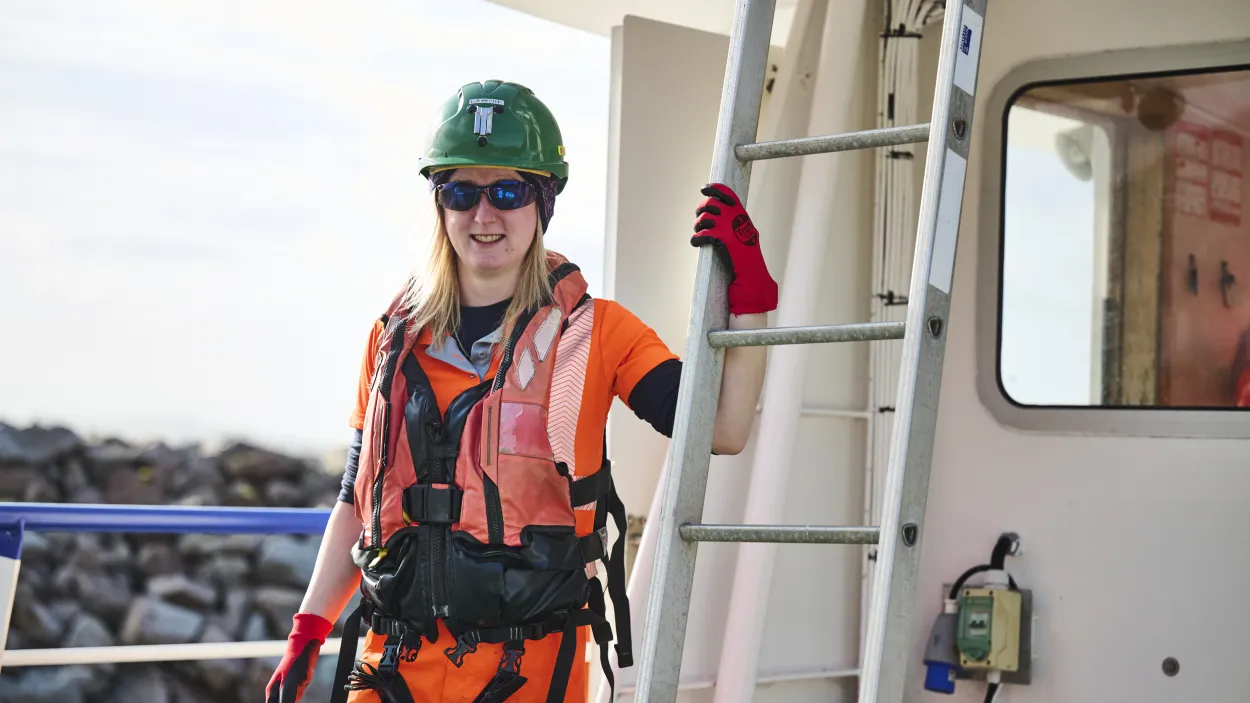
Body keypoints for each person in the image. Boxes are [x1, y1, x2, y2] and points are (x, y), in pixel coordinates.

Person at [266, 79, 778, 703]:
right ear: (440, 205)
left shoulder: (598, 334)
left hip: (525, 675)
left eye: (507, 192)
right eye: (461, 193)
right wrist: (309, 628)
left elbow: (723, 427)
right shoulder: (390, 339)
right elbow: (357, 498)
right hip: (389, 671)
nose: (484, 216)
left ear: (543, 202)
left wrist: (751, 295)